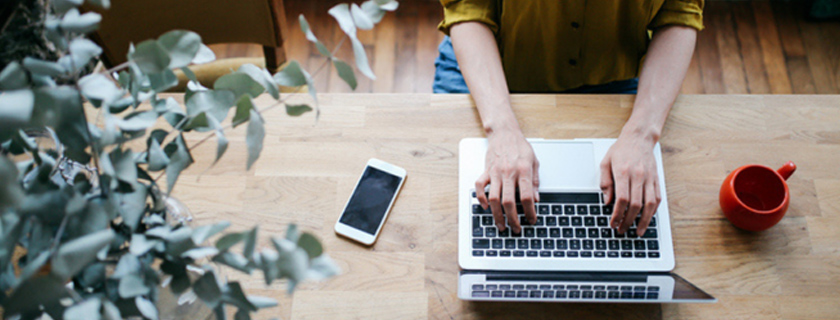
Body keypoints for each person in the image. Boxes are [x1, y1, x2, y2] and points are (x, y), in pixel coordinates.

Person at [434, 1, 703, 237]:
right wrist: (501, 130)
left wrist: (642, 134)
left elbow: (679, 12)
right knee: (448, 212)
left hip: (614, 77)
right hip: (490, 62)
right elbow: (468, 8)